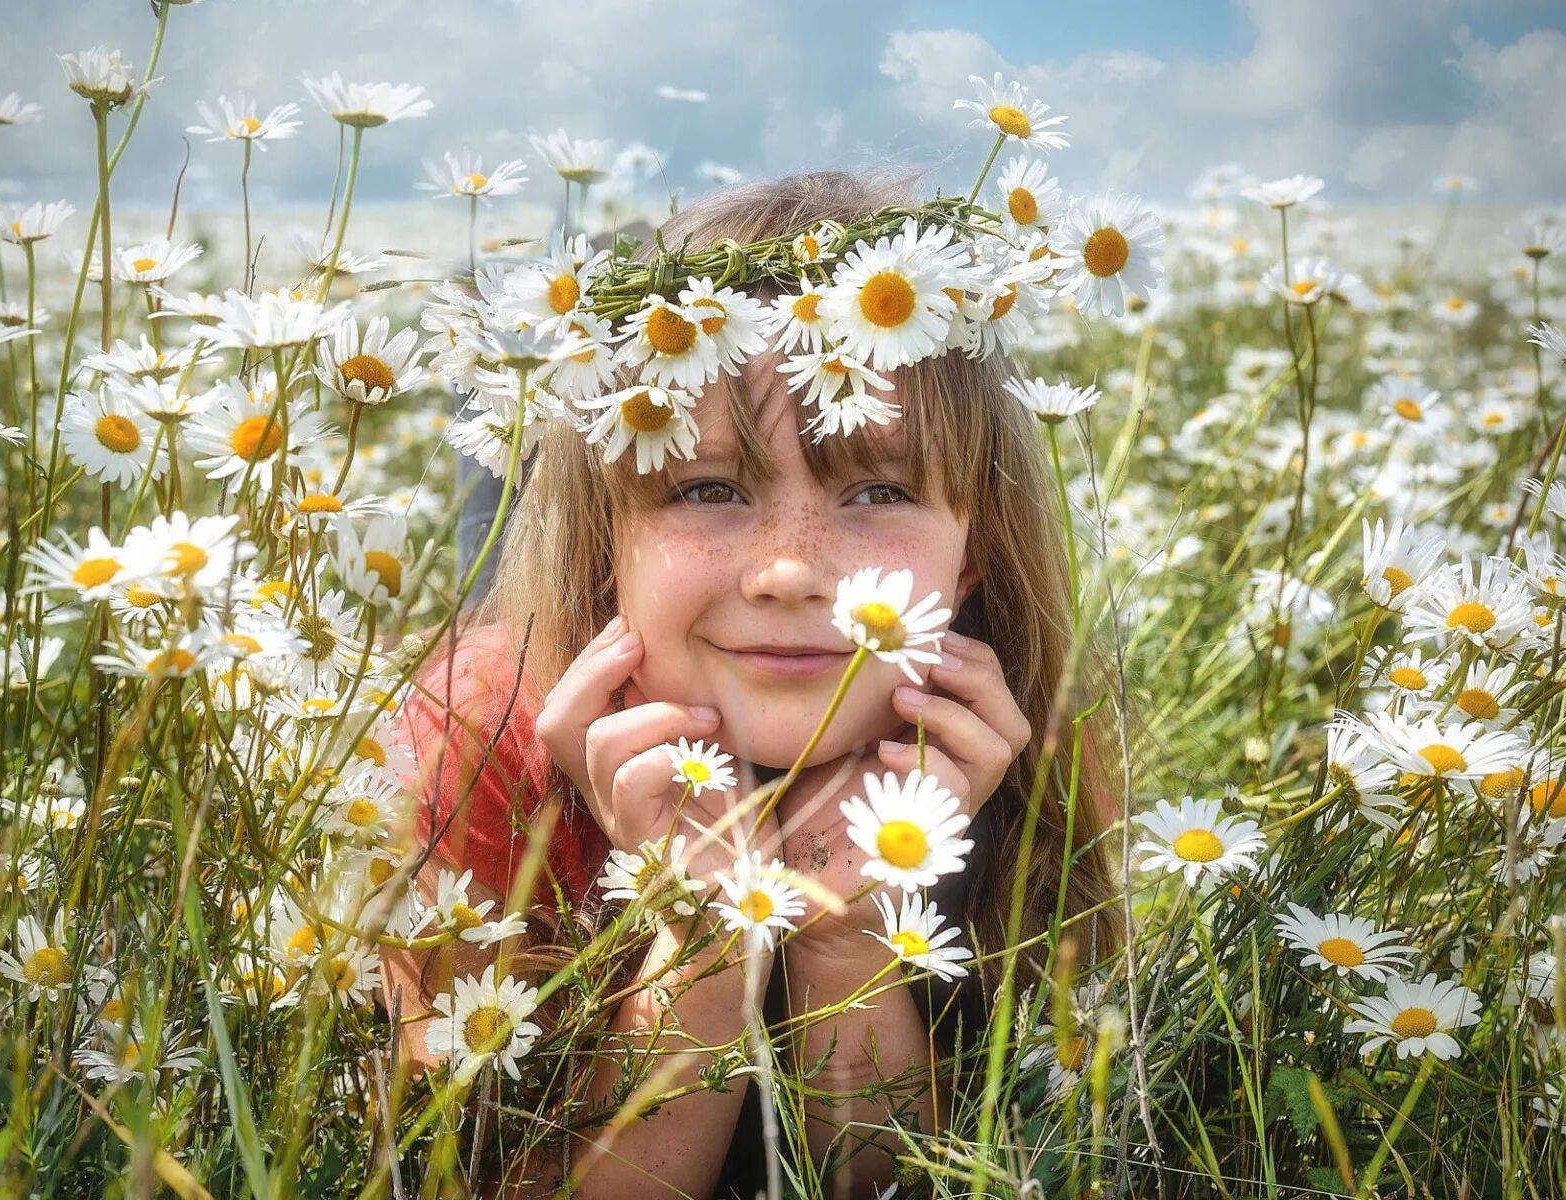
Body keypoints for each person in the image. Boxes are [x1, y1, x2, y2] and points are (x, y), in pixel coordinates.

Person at [381, 169, 1123, 1199]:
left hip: (693, 625)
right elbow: (465, 1167)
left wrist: (844, 931)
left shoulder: (1022, 746)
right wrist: (701, 940)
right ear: (605, 548)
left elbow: (903, 1183)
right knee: (504, 519)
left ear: (973, 564)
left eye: (878, 488)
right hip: (580, 636)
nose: (789, 570)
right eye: (709, 487)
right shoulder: (475, 740)